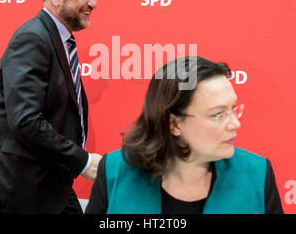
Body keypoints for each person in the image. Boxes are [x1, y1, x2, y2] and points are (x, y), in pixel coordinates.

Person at [0, 0, 102, 214]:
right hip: (17, 186)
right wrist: (84, 161)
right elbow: (25, 120)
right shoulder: (33, 38)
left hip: (46, 180)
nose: (92, 4)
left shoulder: (56, 39)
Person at [85, 56, 283, 214]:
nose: (235, 123)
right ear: (173, 124)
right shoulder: (115, 171)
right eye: (217, 114)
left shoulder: (257, 174)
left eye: (233, 109)